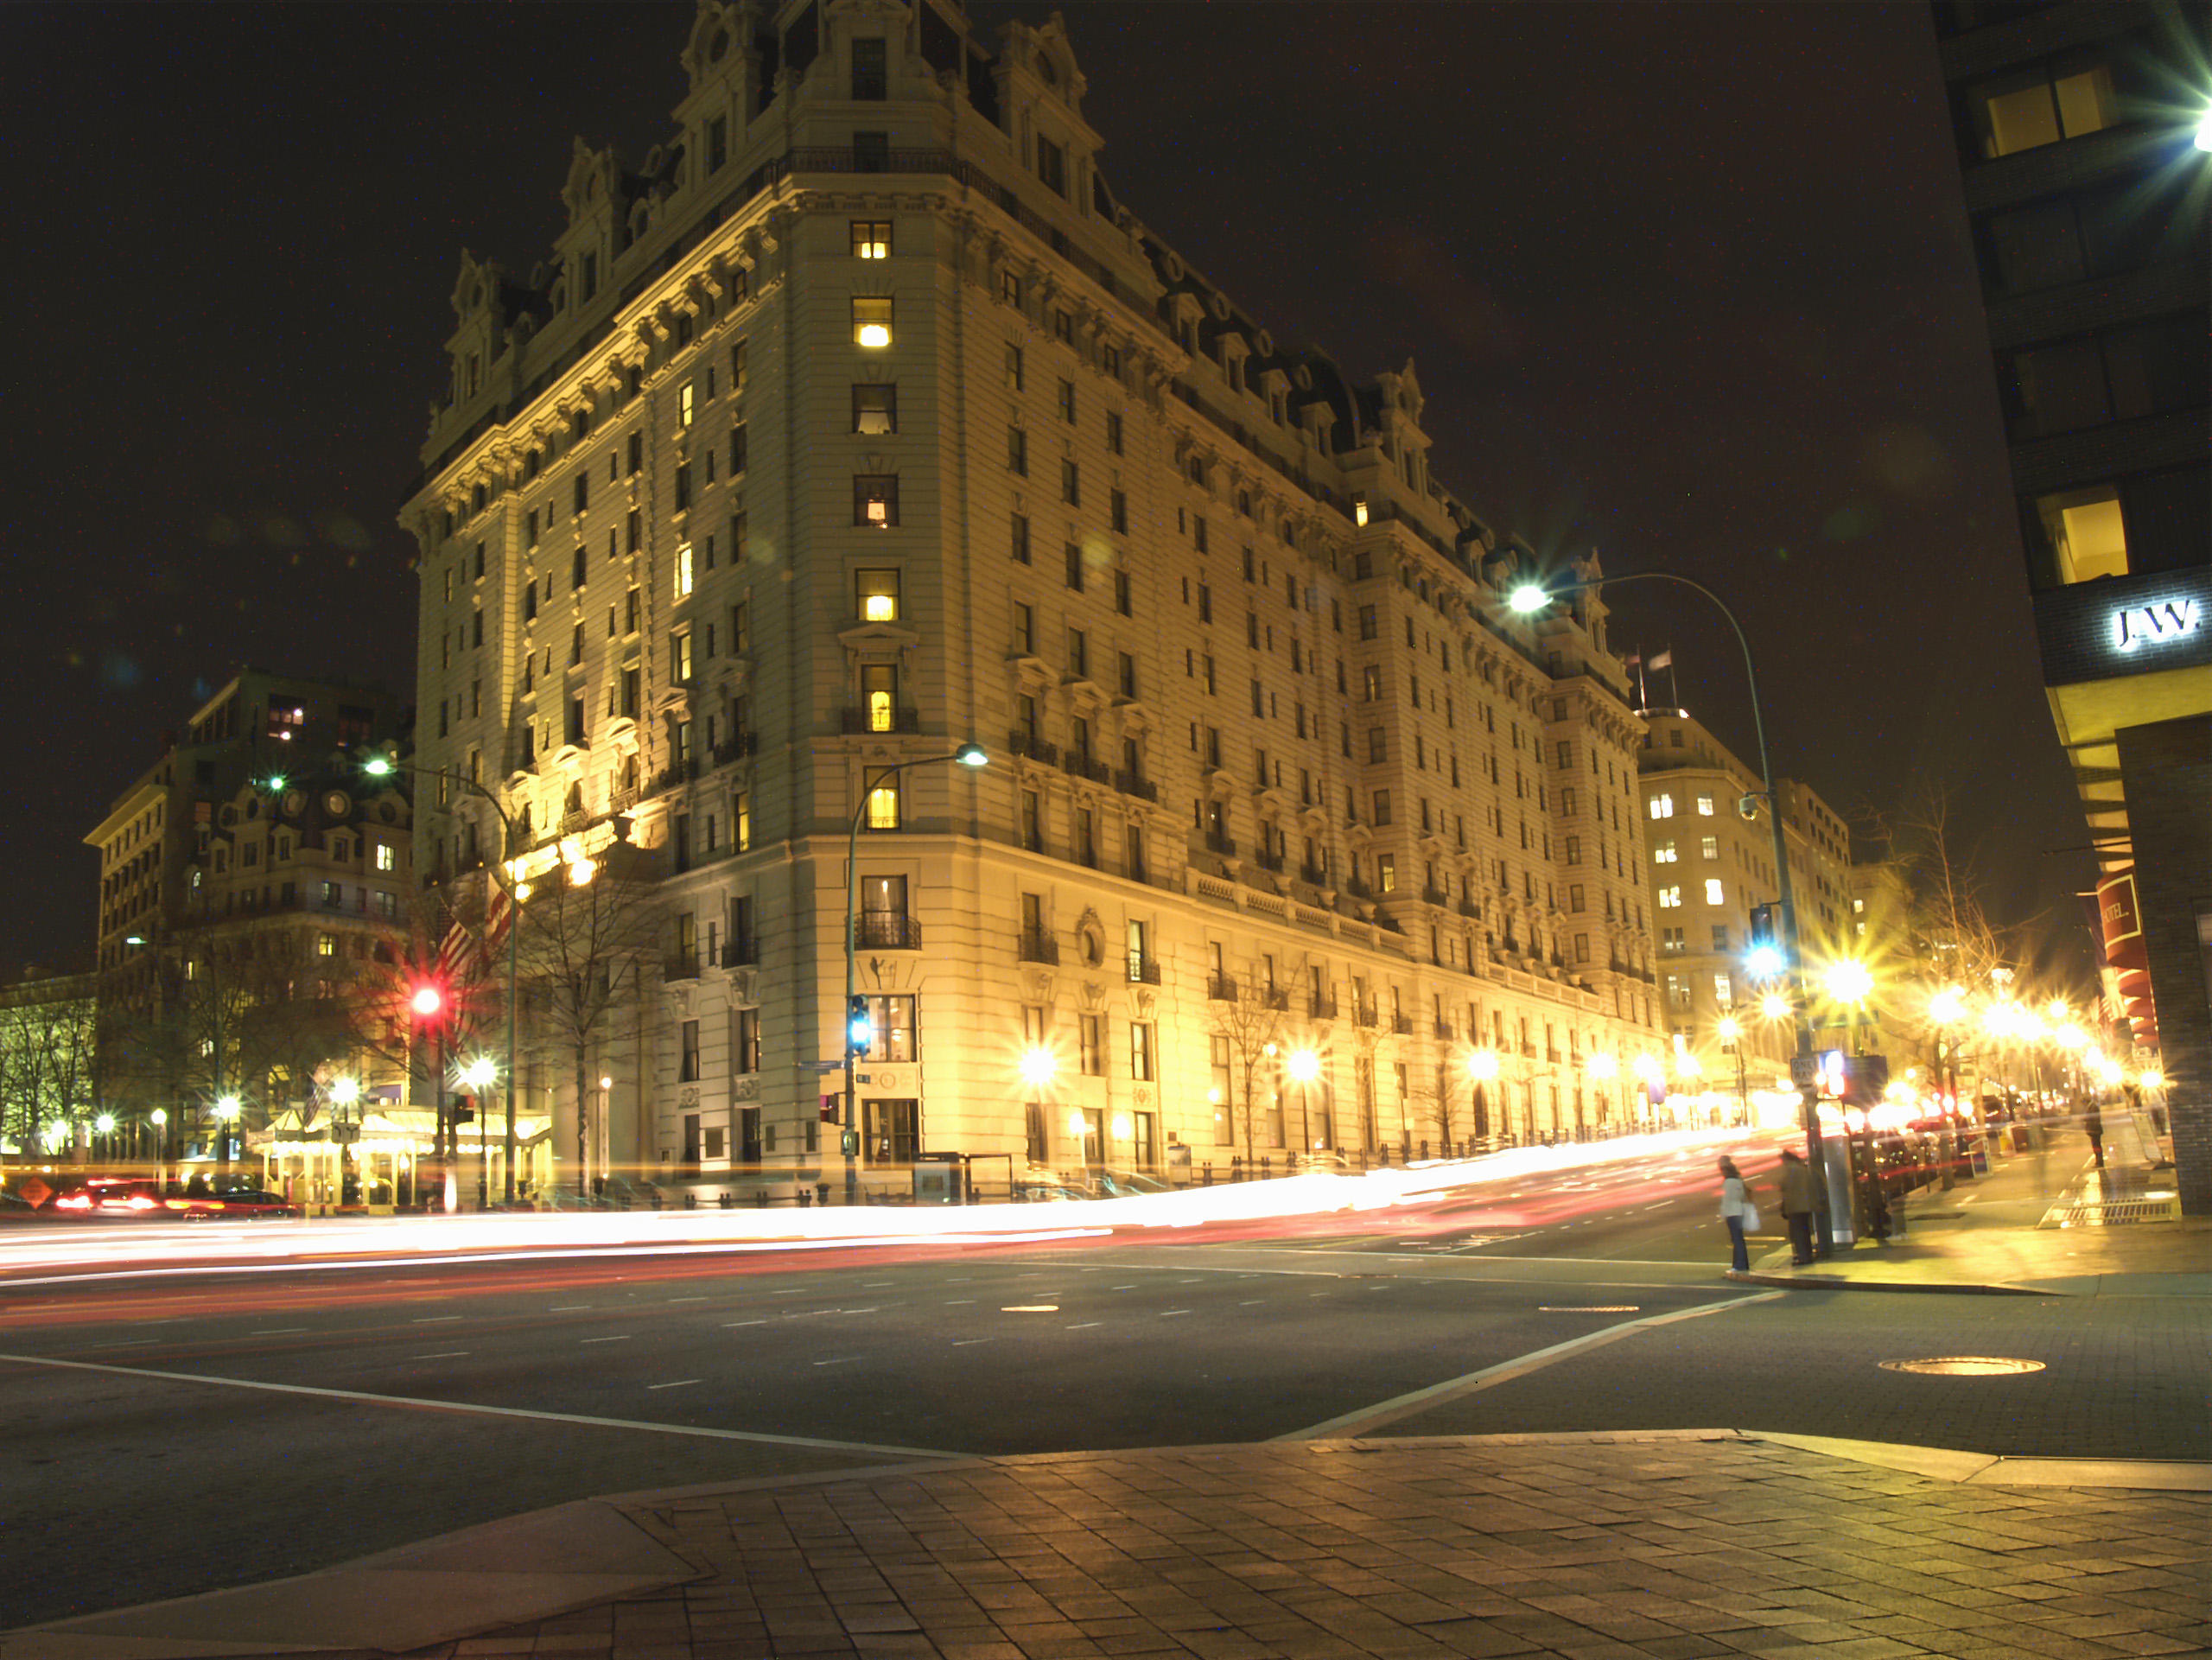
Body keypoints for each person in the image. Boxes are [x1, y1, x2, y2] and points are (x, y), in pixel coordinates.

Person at [1777, 1147, 1815, 1267]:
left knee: (1797, 1232)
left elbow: (1783, 1185)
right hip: (1806, 1204)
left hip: (1795, 1206)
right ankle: (1807, 1255)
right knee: (1805, 1231)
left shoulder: (1791, 1170)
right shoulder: (1803, 1169)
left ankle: (1802, 1257)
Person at [1717, 1156, 1752, 1275]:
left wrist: (1723, 1214)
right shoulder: (1738, 1181)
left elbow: (1727, 1200)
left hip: (1732, 1213)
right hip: (1739, 1211)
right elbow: (1742, 1196)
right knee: (1739, 1239)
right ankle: (1743, 1264)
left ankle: (1739, 1265)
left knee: (1736, 1240)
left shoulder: (1728, 1183)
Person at [2083, 1105, 2104, 1170]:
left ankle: (2099, 1162)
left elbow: (2093, 1119)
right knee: (2096, 1147)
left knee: (2097, 1146)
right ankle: (2098, 1161)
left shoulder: (2093, 1107)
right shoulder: (2091, 1106)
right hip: (2094, 1131)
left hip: (2095, 1131)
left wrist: (2086, 1119)